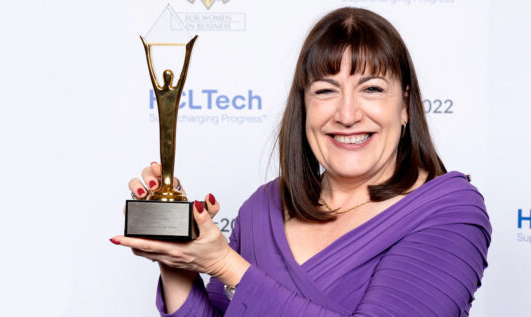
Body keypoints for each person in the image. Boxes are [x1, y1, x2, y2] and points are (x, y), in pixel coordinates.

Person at [110, 7, 491, 316]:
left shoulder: (449, 209)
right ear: (304, 105)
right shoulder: (262, 209)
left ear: (405, 105)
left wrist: (227, 266)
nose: (346, 113)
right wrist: (178, 257)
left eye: (371, 88)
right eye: (325, 90)